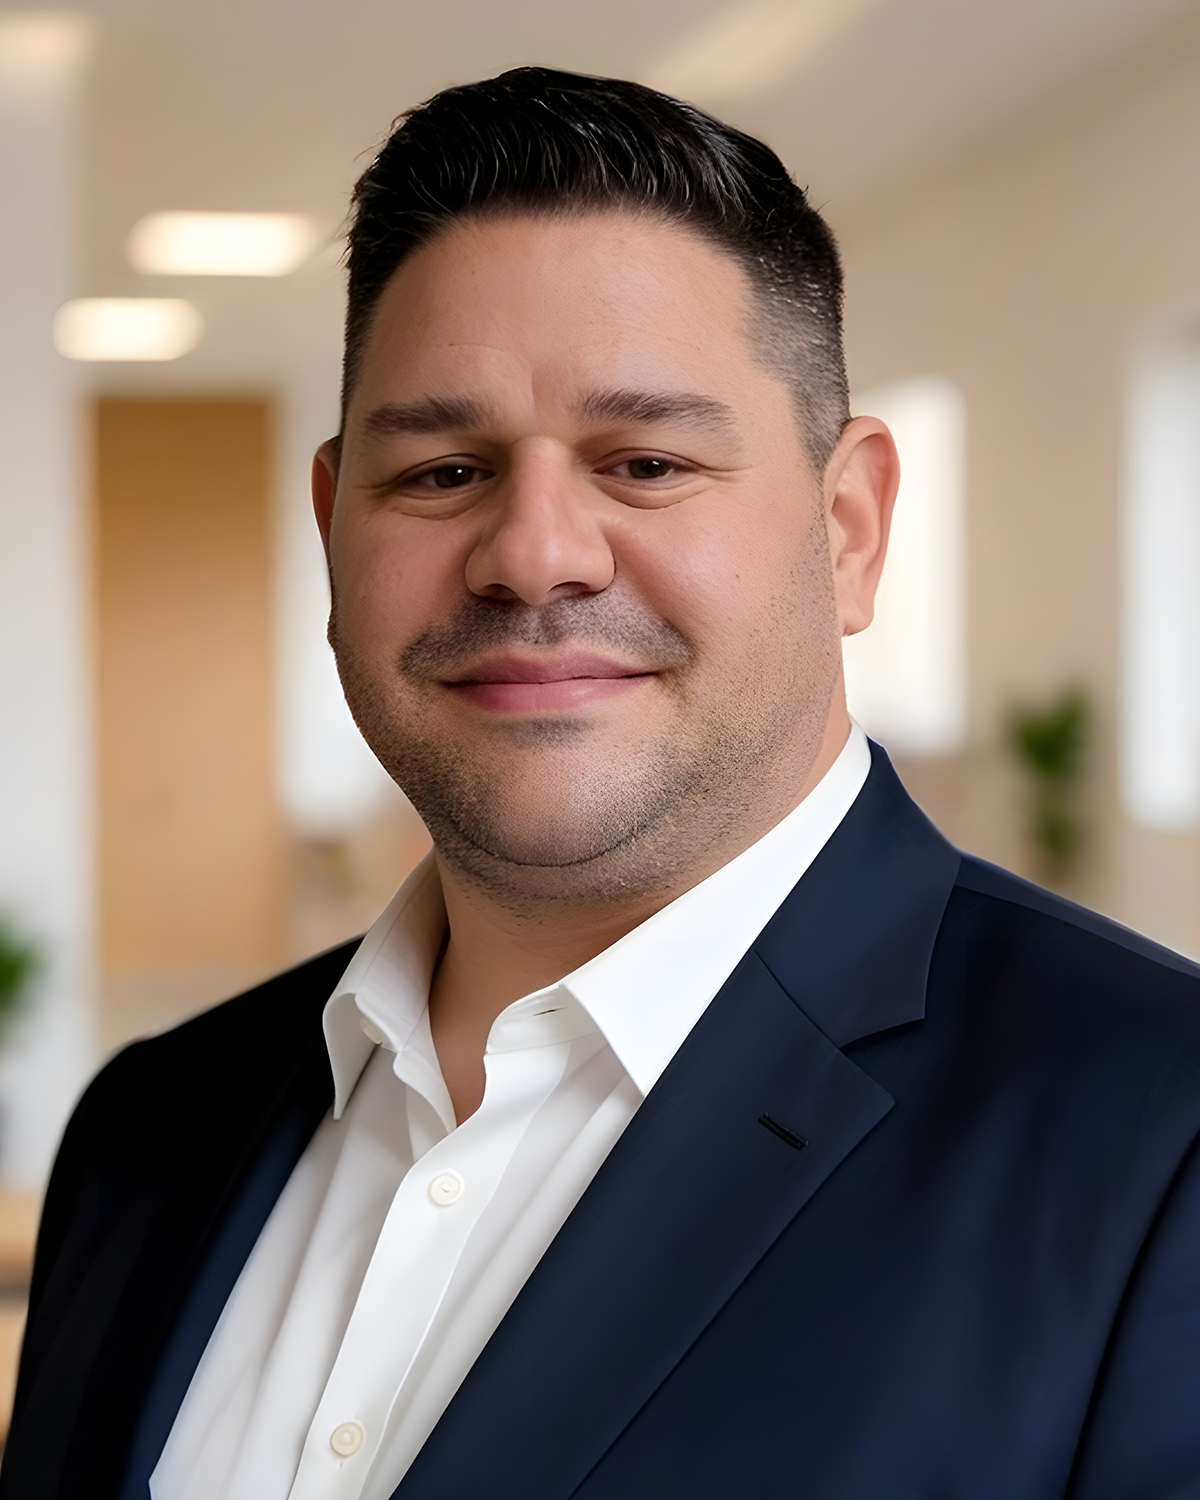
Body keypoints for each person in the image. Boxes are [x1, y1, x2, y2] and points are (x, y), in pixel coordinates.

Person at [5, 66, 1200, 1500]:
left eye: (643, 461)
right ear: (333, 532)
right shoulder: (146, 1131)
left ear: (849, 529)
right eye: (441, 472)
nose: (533, 555)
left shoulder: (1160, 1146)